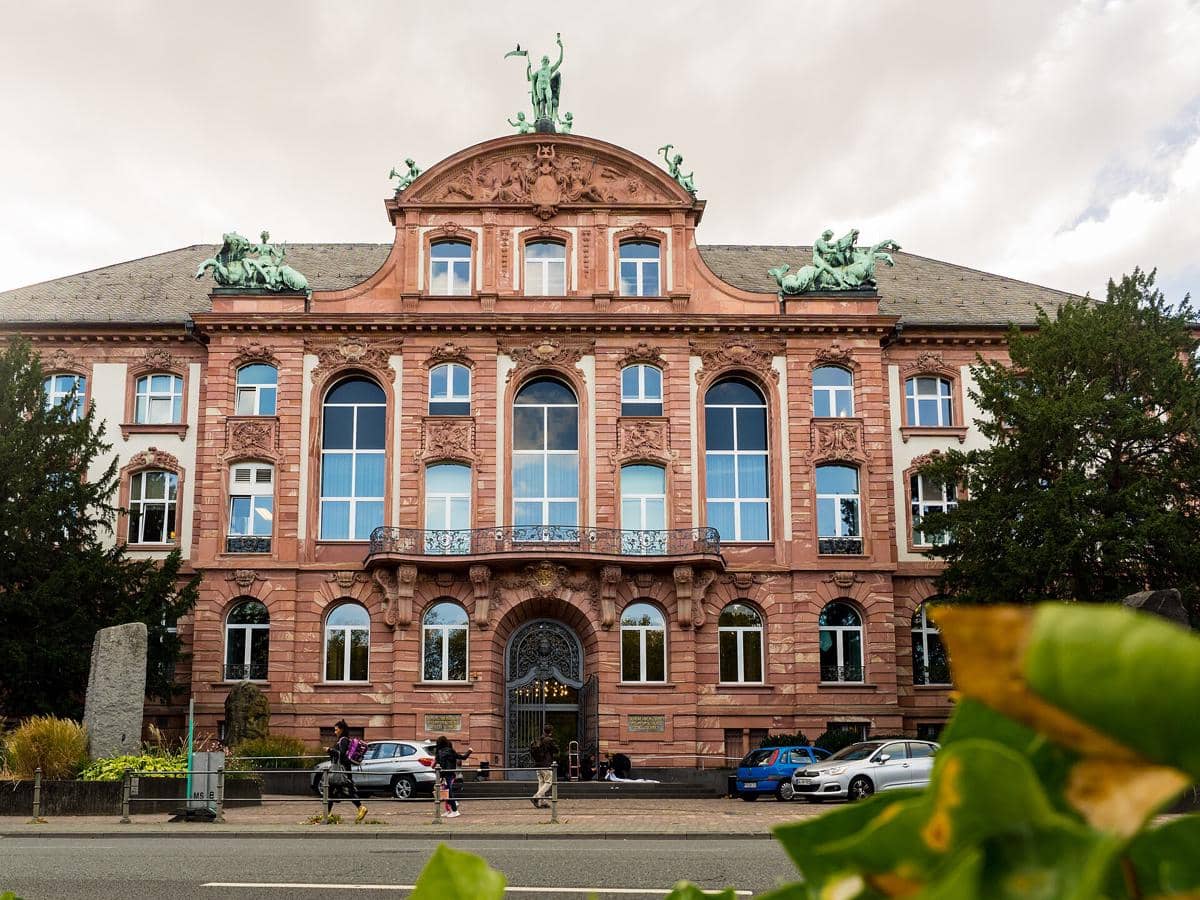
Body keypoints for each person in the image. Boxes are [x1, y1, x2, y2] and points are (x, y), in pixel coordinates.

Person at [328, 719, 367, 823]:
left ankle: (360, 807)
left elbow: (341, 754)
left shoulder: (343, 740)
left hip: (342, 770)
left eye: (336, 730)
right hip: (342, 769)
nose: (334, 732)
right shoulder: (343, 740)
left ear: (341, 730)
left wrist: (329, 750)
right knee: (331, 791)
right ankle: (327, 814)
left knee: (348, 791)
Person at [434, 735, 472, 818]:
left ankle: (455, 810)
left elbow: (439, 764)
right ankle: (450, 810)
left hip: (445, 774)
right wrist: (469, 751)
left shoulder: (439, 752)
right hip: (451, 773)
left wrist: (441, 775)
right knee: (446, 792)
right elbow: (463, 757)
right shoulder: (451, 751)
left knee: (448, 793)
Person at [529, 724, 558, 808]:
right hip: (546, 764)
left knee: (541, 783)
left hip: (538, 764)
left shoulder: (538, 739)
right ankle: (536, 797)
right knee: (549, 782)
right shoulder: (549, 740)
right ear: (551, 732)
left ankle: (542, 801)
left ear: (544, 731)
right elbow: (556, 750)